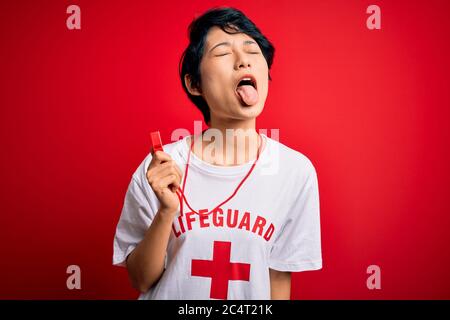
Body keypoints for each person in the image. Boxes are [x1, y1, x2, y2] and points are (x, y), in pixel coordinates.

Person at [113, 6, 322, 300]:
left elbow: (278, 279)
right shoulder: (161, 168)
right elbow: (140, 280)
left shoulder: (295, 172)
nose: (242, 61)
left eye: (252, 51)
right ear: (194, 83)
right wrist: (166, 212)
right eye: (223, 54)